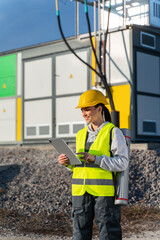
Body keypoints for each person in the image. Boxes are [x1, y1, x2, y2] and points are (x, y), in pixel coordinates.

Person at [58, 89, 128, 240]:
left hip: (104, 194)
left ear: (99, 109)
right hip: (80, 192)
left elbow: (122, 162)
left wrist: (96, 158)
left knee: (108, 234)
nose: (84, 113)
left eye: (87, 109)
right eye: (82, 110)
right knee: (79, 234)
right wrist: (68, 163)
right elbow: (82, 166)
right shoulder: (80, 134)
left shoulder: (113, 132)